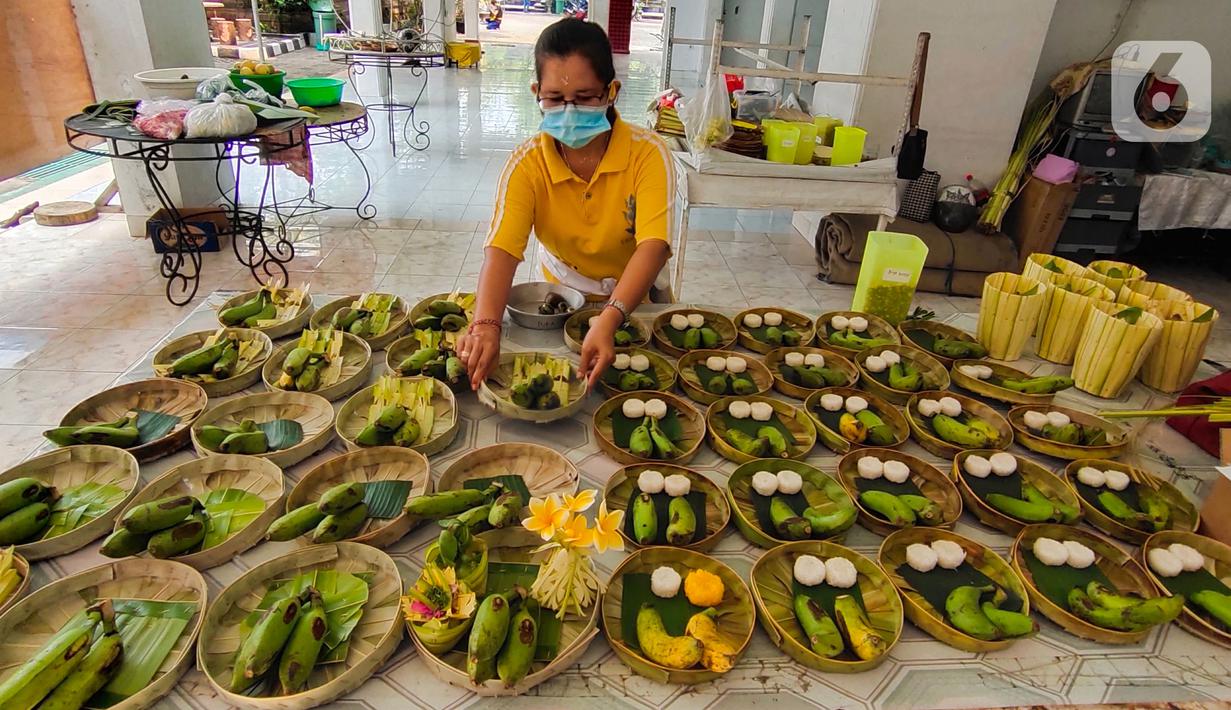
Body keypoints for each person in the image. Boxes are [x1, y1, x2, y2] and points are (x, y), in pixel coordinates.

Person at [457, 18, 674, 392]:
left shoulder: (647, 154)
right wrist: (486, 326)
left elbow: (652, 246)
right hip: (561, 301)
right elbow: (502, 251)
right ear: (536, 93)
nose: (570, 110)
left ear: (612, 92)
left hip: (635, 297)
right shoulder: (527, 164)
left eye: (586, 97)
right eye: (555, 99)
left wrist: (610, 319)